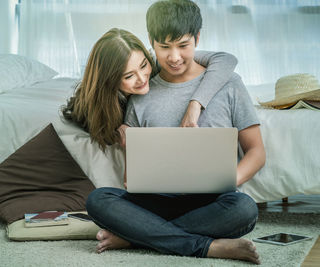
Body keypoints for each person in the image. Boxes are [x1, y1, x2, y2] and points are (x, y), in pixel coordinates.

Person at [86, 0, 265, 265]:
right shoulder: (139, 96)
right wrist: (131, 153)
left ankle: (136, 237)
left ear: (197, 39)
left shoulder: (228, 84)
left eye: (183, 45)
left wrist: (230, 179)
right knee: (98, 200)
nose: (174, 57)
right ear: (151, 42)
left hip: (212, 201)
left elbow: (257, 152)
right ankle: (204, 246)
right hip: (156, 199)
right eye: (164, 47)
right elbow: (129, 178)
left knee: (245, 209)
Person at [62, 28, 238, 151]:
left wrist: (196, 103)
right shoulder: (95, 104)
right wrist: (118, 131)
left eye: (143, 65)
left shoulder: (157, 61)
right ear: (110, 81)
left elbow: (225, 59)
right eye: (129, 76)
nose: (142, 78)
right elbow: (99, 128)